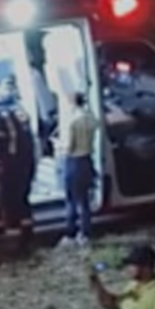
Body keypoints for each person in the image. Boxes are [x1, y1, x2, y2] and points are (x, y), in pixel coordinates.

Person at [0, 92, 36, 253]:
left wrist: (2, 160)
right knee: (23, 199)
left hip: (12, 165)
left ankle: (15, 242)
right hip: (26, 162)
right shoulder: (18, 112)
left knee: (9, 200)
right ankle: (27, 235)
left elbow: (7, 141)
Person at [59, 90, 100, 248]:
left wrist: (60, 147)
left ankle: (70, 233)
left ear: (72, 102)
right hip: (87, 160)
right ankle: (85, 233)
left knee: (71, 199)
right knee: (84, 200)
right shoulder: (90, 118)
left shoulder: (73, 121)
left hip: (74, 162)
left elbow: (69, 146)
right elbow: (97, 126)